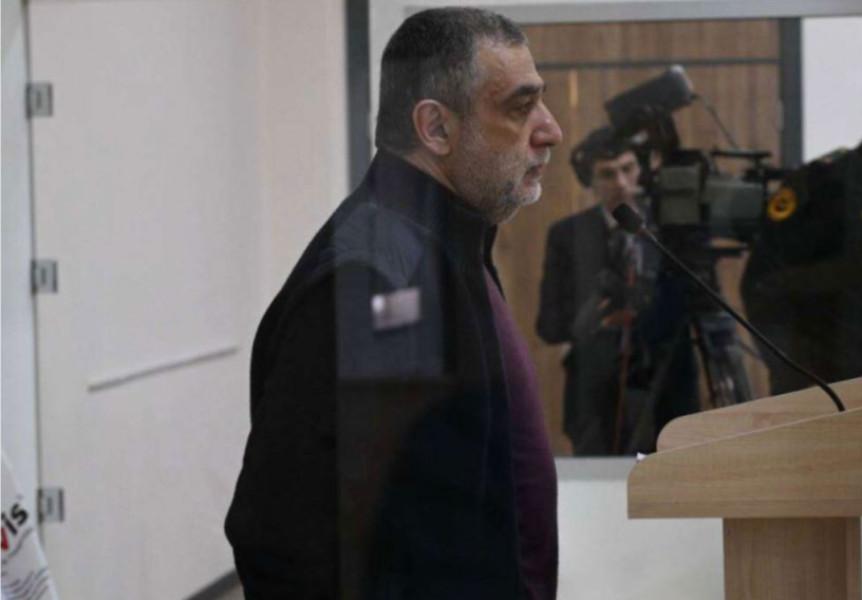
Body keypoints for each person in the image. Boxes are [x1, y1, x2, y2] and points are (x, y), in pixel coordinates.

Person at [225, 8, 563, 599]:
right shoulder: (377, 279)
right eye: (520, 106)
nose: (550, 130)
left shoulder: (447, 246)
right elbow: (278, 535)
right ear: (435, 128)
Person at [536, 127, 698, 456]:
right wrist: (597, 318)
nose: (621, 183)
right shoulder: (567, 235)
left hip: (667, 386)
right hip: (595, 394)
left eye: (628, 169)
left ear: (642, 170)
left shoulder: (672, 229)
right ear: (590, 180)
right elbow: (549, 324)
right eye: (608, 174)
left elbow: (692, 302)